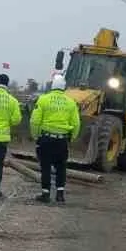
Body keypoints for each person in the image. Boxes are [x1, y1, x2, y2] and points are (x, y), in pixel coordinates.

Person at [30, 74, 81, 203]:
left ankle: (45, 194)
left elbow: (34, 121)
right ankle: (60, 194)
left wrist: (36, 136)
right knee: (61, 167)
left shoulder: (43, 99)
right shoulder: (71, 103)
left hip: (46, 139)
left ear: (52, 86)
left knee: (45, 167)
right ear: (64, 88)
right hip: (62, 140)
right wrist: (72, 137)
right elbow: (76, 124)